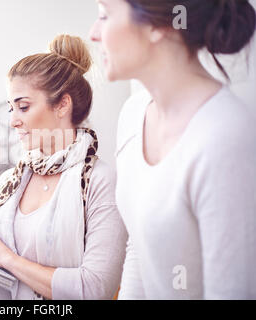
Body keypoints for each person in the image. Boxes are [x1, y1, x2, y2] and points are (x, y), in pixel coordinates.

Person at [90, 0, 256, 299]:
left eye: (105, 15)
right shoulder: (132, 115)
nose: (93, 33)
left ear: (157, 26)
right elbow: (139, 251)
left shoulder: (227, 136)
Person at [0, 34, 127, 300]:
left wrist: (7, 258)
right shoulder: (8, 183)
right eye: (11, 109)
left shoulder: (100, 181)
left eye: (23, 107)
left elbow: (94, 289)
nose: (13, 121)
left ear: (62, 105)